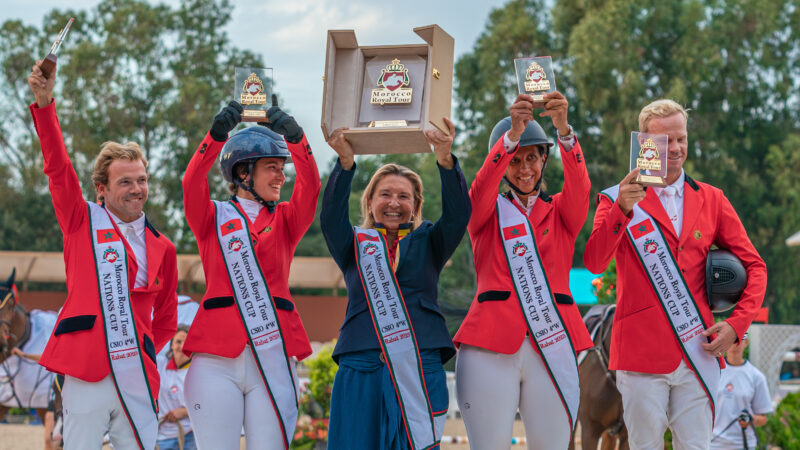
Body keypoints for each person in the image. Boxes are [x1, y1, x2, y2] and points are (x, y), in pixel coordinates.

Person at [584, 99, 768, 449]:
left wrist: (736, 324)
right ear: (644, 144)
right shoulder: (615, 199)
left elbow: (755, 267)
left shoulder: (712, 199)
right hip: (639, 356)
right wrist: (622, 210)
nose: (676, 148)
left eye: (681, 138)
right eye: (666, 141)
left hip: (699, 350)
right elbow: (594, 261)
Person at [28, 60, 178, 450]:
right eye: (125, 181)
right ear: (101, 188)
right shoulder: (80, 221)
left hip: (138, 376)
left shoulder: (164, 246)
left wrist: (142, 349)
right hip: (86, 371)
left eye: (141, 180)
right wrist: (45, 105)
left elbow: (166, 318)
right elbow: (57, 169)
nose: (136, 189)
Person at [453, 92, 593, 449]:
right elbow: (481, 188)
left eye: (532, 158)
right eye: (515, 161)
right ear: (502, 164)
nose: (525, 168)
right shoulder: (485, 210)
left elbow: (580, 189)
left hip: (553, 342)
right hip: (490, 344)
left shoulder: (562, 210)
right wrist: (511, 138)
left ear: (545, 160)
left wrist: (565, 133)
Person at [322, 118, 470, 449]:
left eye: (403, 196)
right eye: (385, 194)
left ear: (416, 206)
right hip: (362, 367)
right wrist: (345, 164)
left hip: (418, 366)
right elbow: (331, 218)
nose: (393, 203)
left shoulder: (430, 241)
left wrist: (445, 158)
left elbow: (459, 215)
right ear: (369, 202)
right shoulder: (354, 244)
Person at [181, 98, 320, 450]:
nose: (281, 176)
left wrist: (296, 138)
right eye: (272, 167)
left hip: (273, 353)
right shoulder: (211, 216)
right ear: (244, 173)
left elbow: (311, 185)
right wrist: (215, 137)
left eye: (282, 168)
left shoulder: (287, 218)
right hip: (216, 359)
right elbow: (191, 181)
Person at [710, 332, 772, 450]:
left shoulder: (757, 377)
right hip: (713, 444)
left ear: (746, 343)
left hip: (743, 444)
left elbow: (763, 418)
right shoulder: (713, 371)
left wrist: (751, 419)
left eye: (738, 341)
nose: (735, 345)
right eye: (732, 341)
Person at [156, 326, 195, 450]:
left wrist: (183, 412)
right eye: (178, 342)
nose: (182, 346)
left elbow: (208, 405)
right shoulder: (160, 365)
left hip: (189, 435)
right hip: (161, 436)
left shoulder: (196, 371)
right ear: (172, 345)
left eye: (186, 342)